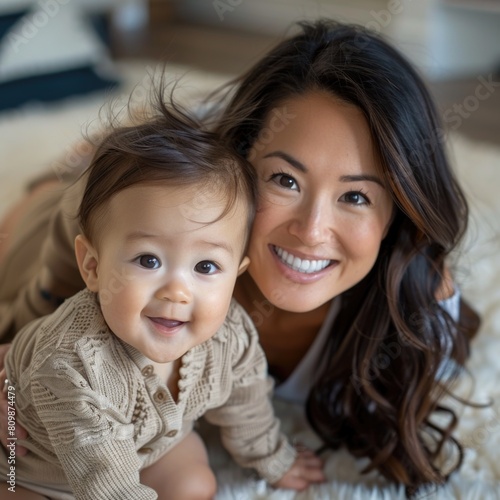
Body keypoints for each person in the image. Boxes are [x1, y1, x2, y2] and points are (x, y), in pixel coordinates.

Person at [0, 19, 480, 495]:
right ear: (244, 166)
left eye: (355, 197)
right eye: (285, 180)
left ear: (397, 214)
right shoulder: (117, 241)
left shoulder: (416, 308)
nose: (311, 233)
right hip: (54, 219)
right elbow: (27, 352)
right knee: (89, 176)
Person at [0, 89, 325, 499]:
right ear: (93, 266)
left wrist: (274, 458)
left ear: (235, 275)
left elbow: (247, 403)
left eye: (206, 267)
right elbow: (107, 484)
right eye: (148, 261)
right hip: (33, 464)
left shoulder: (231, 335)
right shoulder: (74, 364)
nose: (176, 291)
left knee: (194, 483)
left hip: (149, 445)